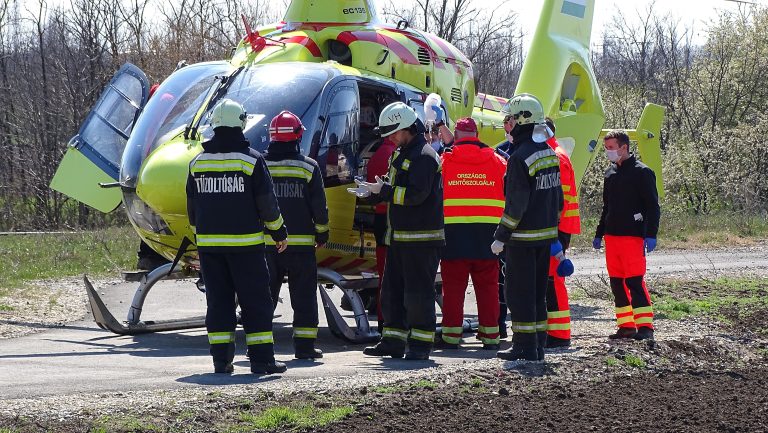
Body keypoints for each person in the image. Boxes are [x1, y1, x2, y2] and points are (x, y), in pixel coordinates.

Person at [186, 99, 288, 375]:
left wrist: (202, 241)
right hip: (246, 248)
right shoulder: (251, 160)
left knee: (218, 304)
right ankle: (262, 361)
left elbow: (192, 210)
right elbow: (267, 203)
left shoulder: (197, 163)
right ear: (241, 123)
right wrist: (279, 232)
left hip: (210, 249)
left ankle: (221, 362)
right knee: (256, 302)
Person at [348, 102, 444, 361]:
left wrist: (385, 192)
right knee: (391, 292)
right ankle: (392, 340)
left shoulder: (424, 155)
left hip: (421, 239)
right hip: (400, 237)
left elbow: (416, 195)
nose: (390, 138)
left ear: (407, 128)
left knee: (418, 294)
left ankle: (421, 345)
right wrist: (372, 193)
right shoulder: (402, 153)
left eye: (393, 132)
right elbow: (394, 189)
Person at [491, 93, 563, 362]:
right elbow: (558, 199)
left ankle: (523, 346)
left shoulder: (519, 157)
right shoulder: (548, 153)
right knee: (537, 294)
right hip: (544, 238)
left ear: (522, 121)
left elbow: (516, 205)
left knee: (519, 294)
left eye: (509, 120)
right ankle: (538, 346)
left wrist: (501, 236)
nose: (506, 125)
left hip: (521, 239)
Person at [264, 110, 330, 360]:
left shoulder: (260, 164)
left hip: (266, 245)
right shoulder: (308, 167)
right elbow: (319, 208)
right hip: (301, 247)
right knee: (303, 296)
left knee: (263, 296)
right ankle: (304, 348)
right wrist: (322, 235)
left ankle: (257, 346)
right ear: (297, 136)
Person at [439, 117, 507, 350]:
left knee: (454, 290)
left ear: (456, 136)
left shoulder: (445, 161)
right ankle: (491, 337)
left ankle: (450, 337)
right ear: (477, 134)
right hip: (489, 237)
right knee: (488, 288)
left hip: (454, 237)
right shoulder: (498, 161)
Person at [593, 129, 660, 341]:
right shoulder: (610, 173)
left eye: (611, 148)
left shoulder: (643, 172)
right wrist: (599, 233)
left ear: (624, 147)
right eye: (606, 148)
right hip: (612, 237)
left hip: (633, 236)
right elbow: (607, 207)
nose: (608, 152)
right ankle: (626, 327)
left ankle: (645, 328)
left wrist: (651, 234)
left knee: (635, 282)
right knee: (617, 283)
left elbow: (653, 206)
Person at [543, 118, 581, 348]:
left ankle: (559, 335)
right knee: (551, 280)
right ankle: (556, 332)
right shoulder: (556, 153)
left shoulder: (554, 156)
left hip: (556, 228)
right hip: (559, 226)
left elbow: (557, 200)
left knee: (552, 280)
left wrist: (553, 233)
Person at [366, 135, 398, 324]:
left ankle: (382, 319)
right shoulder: (393, 154)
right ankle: (389, 321)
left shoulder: (377, 153)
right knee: (393, 277)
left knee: (383, 275)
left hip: (379, 218)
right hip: (391, 218)